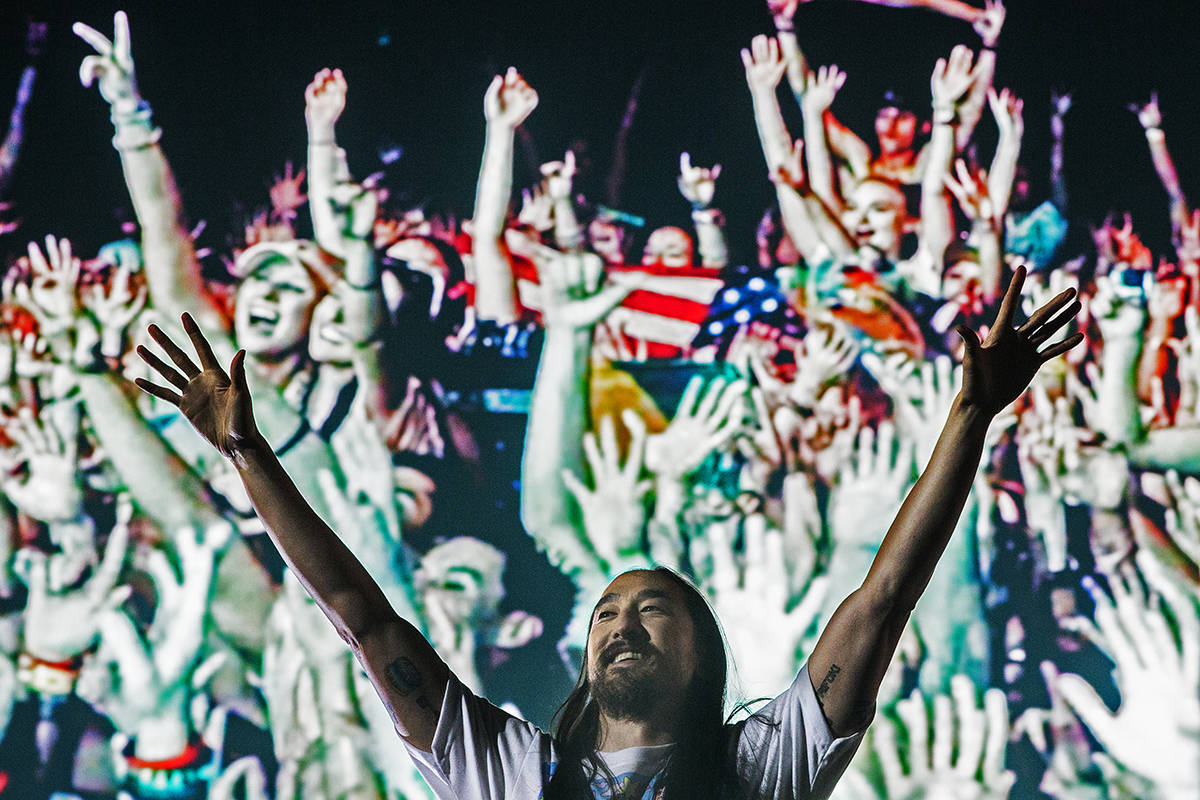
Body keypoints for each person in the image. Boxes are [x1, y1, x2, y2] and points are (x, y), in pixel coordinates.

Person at [130, 262, 1080, 799]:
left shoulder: (762, 768)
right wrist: (246, 452)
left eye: (653, 609)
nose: (619, 622)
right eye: (608, 611)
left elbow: (881, 604)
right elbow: (364, 618)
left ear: (705, 654)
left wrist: (970, 417)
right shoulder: (505, 769)